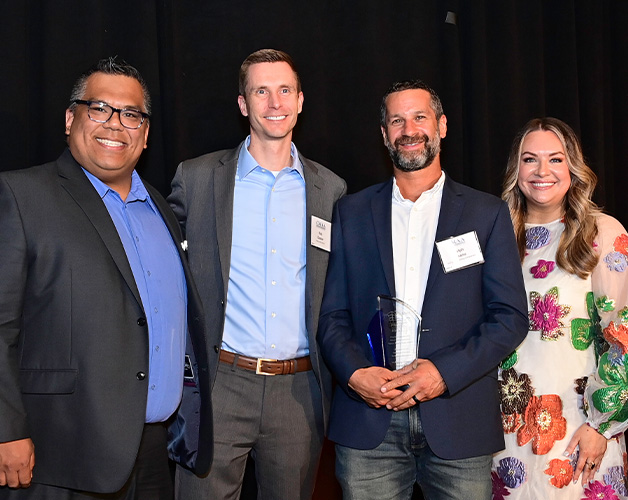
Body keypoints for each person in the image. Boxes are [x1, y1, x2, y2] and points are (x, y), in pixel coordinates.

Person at [0, 57, 212, 499]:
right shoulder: (21, 196)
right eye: (99, 108)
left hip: (156, 452)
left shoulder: (160, 207)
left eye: (131, 114)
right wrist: (5, 430)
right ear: (70, 118)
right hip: (58, 457)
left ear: (146, 132)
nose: (116, 125)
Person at [317, 79, 529, 500]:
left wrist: (442, 373)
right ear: (384, 134)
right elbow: (331, 316)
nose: (408, 129)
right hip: (368, 423)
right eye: (397, 120)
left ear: (442, 126)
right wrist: (356, 374)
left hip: (458, 420)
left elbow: (509, 317)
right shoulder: (350, 212)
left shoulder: (486, 214)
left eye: (419, 117)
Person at [168, 49, 346, 500]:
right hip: (220, 384)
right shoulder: (198, 178)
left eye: (284, 90)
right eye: (261, 91)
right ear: (244, 104)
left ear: (301, 100)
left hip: (298, 392)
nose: (274, 102)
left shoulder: (331, 190)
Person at [491, 117, 628, 499]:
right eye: (530, 159)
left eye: (556, 159)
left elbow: (624, 334)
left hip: (578, 435)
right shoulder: (495, 238)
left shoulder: (601, 234)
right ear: (515, 170)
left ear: (573, 168)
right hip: (504, 440)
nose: (542, 171)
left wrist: (603, 426)